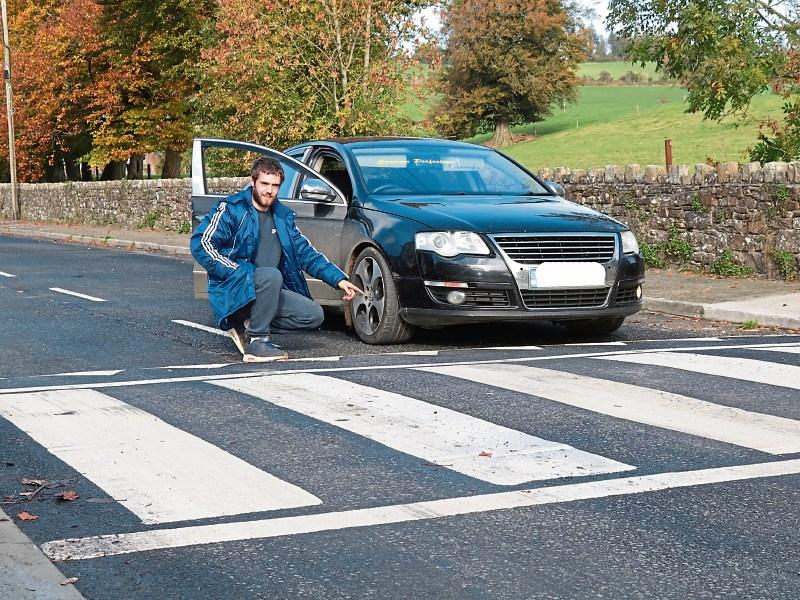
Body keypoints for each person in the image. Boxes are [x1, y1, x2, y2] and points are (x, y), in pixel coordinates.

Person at [191, 156, 362, 362]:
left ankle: (250, 326)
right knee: (271, 275)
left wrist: (339, 280)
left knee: (313, 315)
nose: (269, 190)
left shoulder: (283, 217)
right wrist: (236, 271)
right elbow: (201, 243)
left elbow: (307, 254)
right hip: (235, 288)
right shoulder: (232, 209)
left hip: (268, 291)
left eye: (275, 185)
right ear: (253, 182)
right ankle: (257, 342)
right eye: (264, 184)